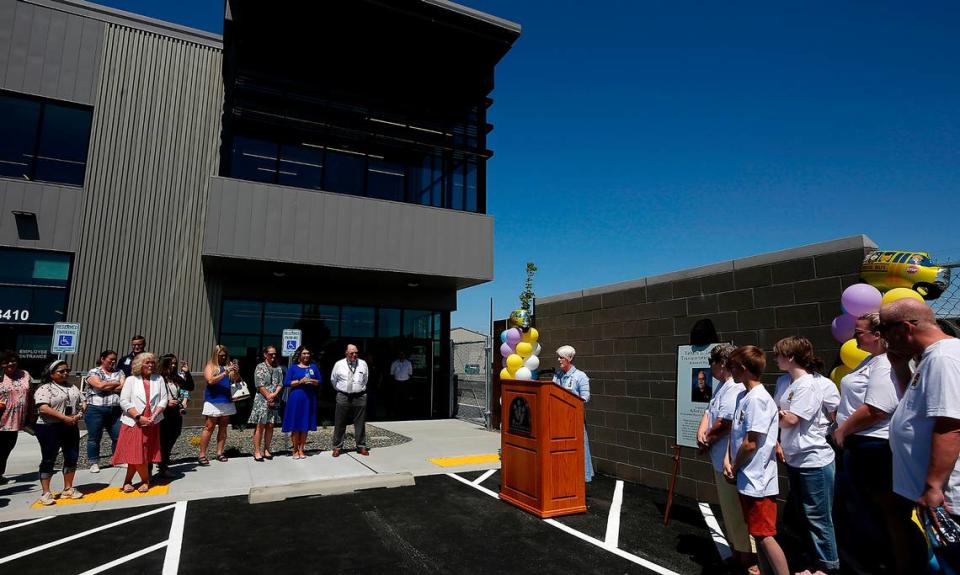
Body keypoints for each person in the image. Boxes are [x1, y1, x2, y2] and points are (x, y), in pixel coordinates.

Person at [880, 298, 960, 572]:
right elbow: (913, 410)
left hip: (947, 496)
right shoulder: (929, 358)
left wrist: (934, 486)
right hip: (930, 492)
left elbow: (950, 424)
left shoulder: (942, 358)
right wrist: (900, 368)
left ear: (904, 328)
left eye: (885, 330)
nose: (884, 340)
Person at [831, 312, 902, 572]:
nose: (854, 337)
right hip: (860, 445)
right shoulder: (870, 361)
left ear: (878, 334)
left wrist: (842, 430)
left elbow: (877, 408)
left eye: (859, 332)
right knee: (862, 511)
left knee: (876, 514)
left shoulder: (884, 363)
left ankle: (882, 565)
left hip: (873, 446)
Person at [772, 336, 839, 575]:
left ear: (790, 357)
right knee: (804, 513)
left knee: (818, 515)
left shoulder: (810, 385)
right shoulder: (784, 382)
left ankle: (827, 566)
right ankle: (814, 562)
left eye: (779, 354)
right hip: (794, 457)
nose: (775, 358)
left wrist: (769, 413)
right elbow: (780, 415)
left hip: (814, 458)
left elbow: (790, 419)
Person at [722, 346, 789, 575]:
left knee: (764, 535)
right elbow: (736, 433)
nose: (730, 372)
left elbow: (751, 442)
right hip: (746, 476)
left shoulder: (758, 399)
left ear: (742, 369)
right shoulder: (744, 396)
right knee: (757, 534)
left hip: (757, 479)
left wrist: (735, 465)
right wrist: (727, 461)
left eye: (732, 367)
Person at [696, 344, 754, 573]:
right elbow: (710, 412)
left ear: (721, 364)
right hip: (719, 458)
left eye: (712, 362)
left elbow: (726, 422)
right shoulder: (721, 387)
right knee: (729, 510)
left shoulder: (734, 388)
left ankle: (749, 559)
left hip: (729, 459)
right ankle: (738, 552)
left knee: (738, 511)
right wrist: (702, 432)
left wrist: (708, 438)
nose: (710, 367)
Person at [33, 359, 85, 505]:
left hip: (70, 426)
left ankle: (68, 488)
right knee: (49, 458)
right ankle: (46, 492)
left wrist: (79, 414)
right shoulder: (45, 388)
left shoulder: (72, 387)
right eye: (61, 371)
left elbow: (82, 401)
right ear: (51, 374)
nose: (65, 373)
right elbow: (43, 408)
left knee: (71, 455)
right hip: (50, 427)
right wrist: (63, 417)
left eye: (67, 370)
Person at [113, 352, 166, 493]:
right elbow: (124, 401)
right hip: (133, 421)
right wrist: (138, 417)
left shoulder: (159, 379)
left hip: (152, 421)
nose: (150, 365)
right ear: (139, 364)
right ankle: (145, 480)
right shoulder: (131, 380)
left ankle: (127, 481)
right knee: (136, 451)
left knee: (141, 453)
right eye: (147, 362)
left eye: (152, 363)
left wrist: (154, 415)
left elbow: (163, 399)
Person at [553, 345, 593, 483]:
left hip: (574, 419)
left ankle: (583, 476)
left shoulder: (580, 376)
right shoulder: (557, 375)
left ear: (569, 358)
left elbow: (585, 397)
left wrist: (570, 400)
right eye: (558, 357)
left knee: (581, 446)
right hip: (559, 418)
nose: (558, 360)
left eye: (561, 357)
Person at [83, 350, 125, 474]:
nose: (113, 361)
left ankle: (117, 460)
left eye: (114, 359)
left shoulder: (119, 372)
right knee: (94, 437)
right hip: (96, 408)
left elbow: (123, 386)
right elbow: (99, 385)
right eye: (110, 359)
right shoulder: (94, 371)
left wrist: (106, 384)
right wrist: (115, 383)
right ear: (102, 359)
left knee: (118, 436)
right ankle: (94, 462)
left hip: (115, 409)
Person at [156, 354, 194, 477]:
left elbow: (190, 387)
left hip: (175, 412)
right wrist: (167, 403)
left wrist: (187, 373)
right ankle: (162, 466)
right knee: (163, 440)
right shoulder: (158, 378)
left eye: (174, 363)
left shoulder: (175, 377)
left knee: (174, 435)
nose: (173, 366)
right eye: (171, 363)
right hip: (162, 412)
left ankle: (163, 462)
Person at [199, 345, 237, 465]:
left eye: (225, 355)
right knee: (209, 427)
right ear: (216, 355)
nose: (223, 357)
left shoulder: (228, 365)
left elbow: (235, 380)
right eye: (221, 355)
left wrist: (235, 371)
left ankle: (220, 452)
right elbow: (210, 380)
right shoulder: (210, 366)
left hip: (226, 399)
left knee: (223, 427)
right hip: (213, 400)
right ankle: (202, 454)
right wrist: (225, 372)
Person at [330, 344, 369, 457]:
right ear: (346, 353)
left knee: (360, 423)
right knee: (340, 422)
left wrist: (358, 389)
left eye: (356, 352)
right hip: (343, 396)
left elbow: (365, 379)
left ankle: (361, 446)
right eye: (352, 353)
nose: (354, 355)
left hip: (359, 396)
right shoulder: (339, 364)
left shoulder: (363, 364)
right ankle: (337, 447)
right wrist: (342, 390)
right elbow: (333, 380)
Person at [0, 350, 31, 485]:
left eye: (13, 360)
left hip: (16, 419)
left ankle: (0, 474)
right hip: (1, 417)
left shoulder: (24, 374)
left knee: (7, 448)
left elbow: (29, 394)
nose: (10, 364)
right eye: (5, 362)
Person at [282, 346, 319, 459]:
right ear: (299, 355)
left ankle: (302, 449)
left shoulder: (313, 367)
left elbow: (319, 381)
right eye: (304, 353)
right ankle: (294, 450)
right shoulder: (293, 368)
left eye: (308, 353)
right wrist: (299, 381)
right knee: (296, 424)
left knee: (305, 424)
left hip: (309, 398)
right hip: (296, 398)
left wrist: (312, 381)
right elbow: (286, 383)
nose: (306, 355)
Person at [249, 346, 283, 461]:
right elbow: (259, 384)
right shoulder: (260, 367)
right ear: (265, 354)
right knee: (260, 425)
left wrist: (274, 394)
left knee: (270, 425)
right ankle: (257, 451)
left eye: (275, 354)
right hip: (262, 400)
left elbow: (280, 383)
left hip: (274, 400)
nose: (273, 356)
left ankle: (267, 449)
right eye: (271, 354)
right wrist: (268, 395)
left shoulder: (278, 368)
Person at [389, 351, 413, 418]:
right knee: (396, 398)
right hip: (397, 383)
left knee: (405, 398)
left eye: (403, 354)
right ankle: (396, 412)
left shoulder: (408, 363)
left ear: (405, 355)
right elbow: (392, 373)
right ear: (399, 355)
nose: (402, 356)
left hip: (405, 383)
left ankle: (404, 412)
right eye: (400, 354)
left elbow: (410, 373)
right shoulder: (394, 363)